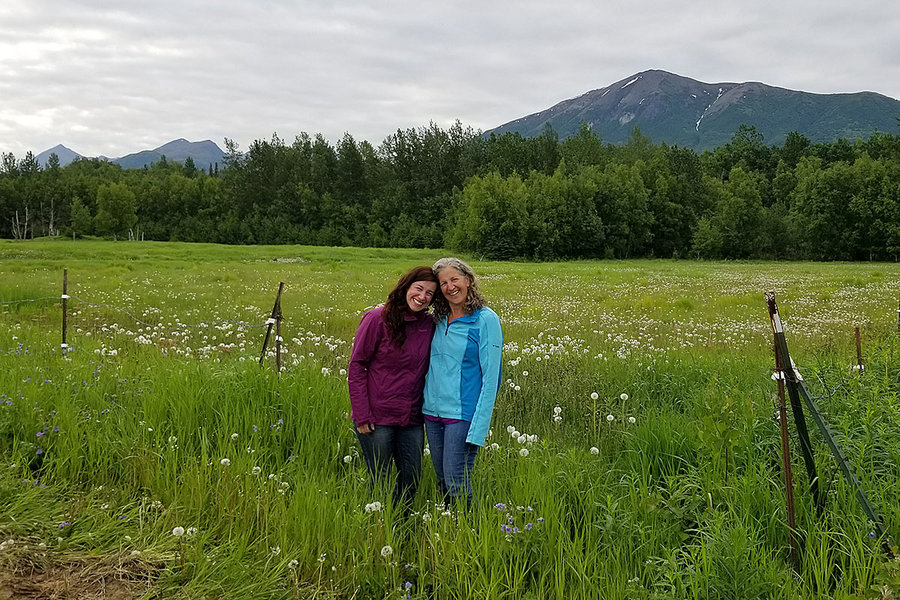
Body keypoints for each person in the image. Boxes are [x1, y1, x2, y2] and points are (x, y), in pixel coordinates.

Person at [348, 266, 438, 508]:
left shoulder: (429, 325)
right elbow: (357, 366)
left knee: (411, 477)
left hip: (411, 417)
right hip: (377, 417)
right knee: (381, 480)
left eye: (430, 293)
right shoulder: (377, 318)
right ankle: (379, 529)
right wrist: (362, 413)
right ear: (406, 287)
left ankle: (403, 527)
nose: (422, 296)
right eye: (418, 288)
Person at [423, 257, 502, 508]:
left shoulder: (485, 319)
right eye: (443, 283)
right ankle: (449, 531)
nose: (450, 287)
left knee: (457, 481)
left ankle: (470, 533)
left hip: (463, 415)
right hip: (432, 414)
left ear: (468, 280)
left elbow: (492, 377)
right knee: (442, 480)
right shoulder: (437, 319)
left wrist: (479, 427)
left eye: (454, 279)